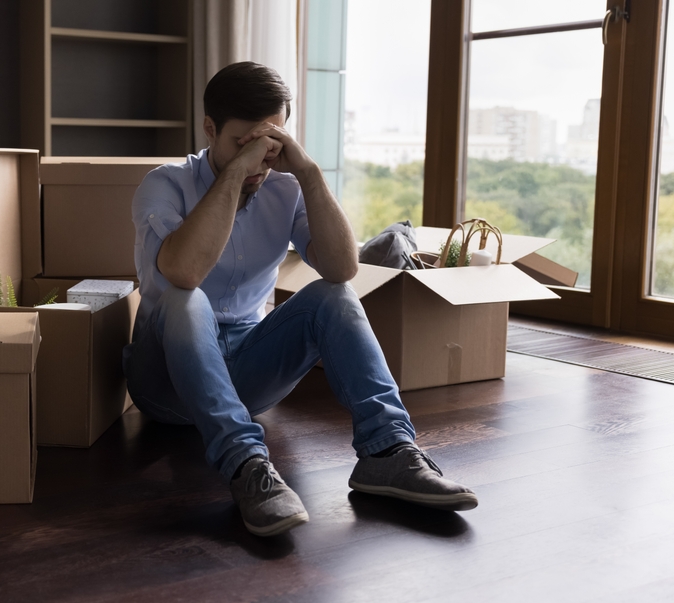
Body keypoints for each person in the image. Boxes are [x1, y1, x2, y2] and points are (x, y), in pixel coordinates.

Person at [123, 62, 477, 537]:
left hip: (247, 371)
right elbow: (184, 272)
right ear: (209, 129)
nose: (258, 161)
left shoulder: (285, 186)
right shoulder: (163, 184)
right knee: (188, 299)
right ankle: (247, 466)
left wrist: (309, 175)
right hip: (164, 378)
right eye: (241, 144)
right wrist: (234, 177)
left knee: (335, 295)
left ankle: (387, 452)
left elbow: (342, 268)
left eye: (268, 143)